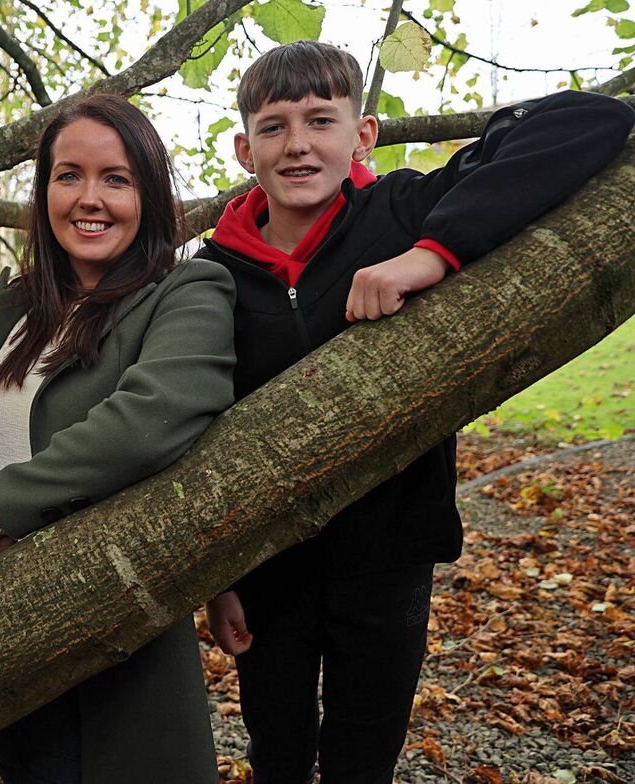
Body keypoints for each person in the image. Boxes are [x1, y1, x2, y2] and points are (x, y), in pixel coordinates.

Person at [197, 40, 635, 784]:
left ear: (363, 135)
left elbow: (588, 120)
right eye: (273, 127)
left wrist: (431, 252)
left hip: (390, 555)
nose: (297, 144)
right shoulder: (212, 275)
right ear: (245, 149)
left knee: (364, 754)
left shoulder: (401, 208)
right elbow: (201, 428)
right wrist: (216, 574)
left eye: (320, 120)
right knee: (275, 747)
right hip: (269, 566)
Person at [0, 94, 237, 783]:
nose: (89, 198)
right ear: (43, 191)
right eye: (68, 175)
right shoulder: (18, 297)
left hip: (115, 611)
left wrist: (2, 503)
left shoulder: (187, 288)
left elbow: (152, 414)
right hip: (1, 619)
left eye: (117, 178)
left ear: (150, 195)